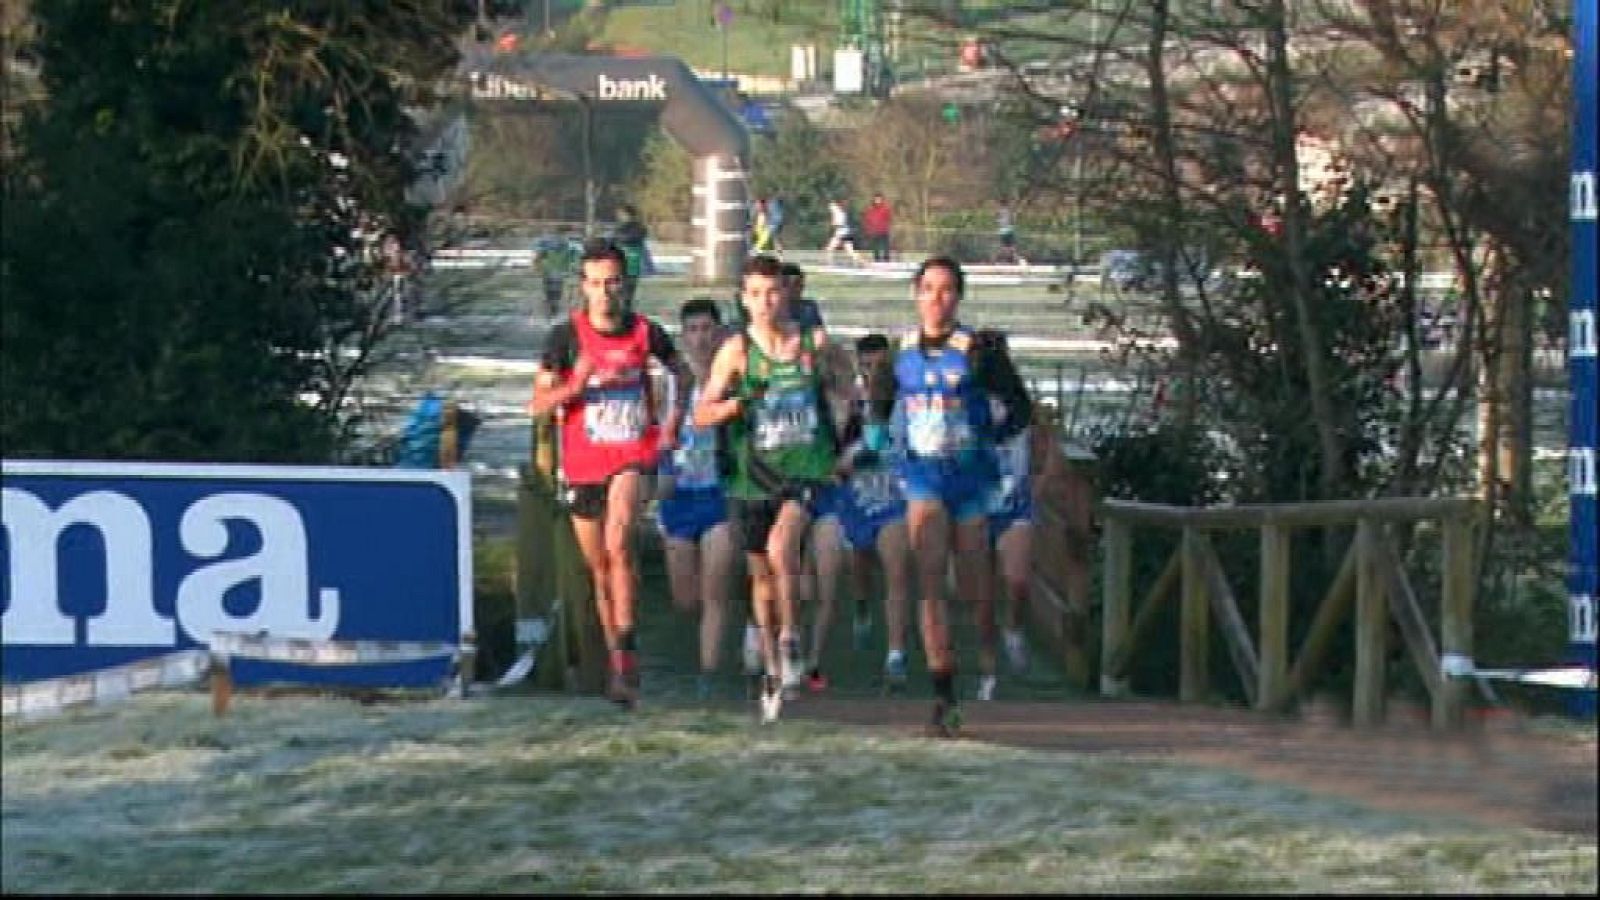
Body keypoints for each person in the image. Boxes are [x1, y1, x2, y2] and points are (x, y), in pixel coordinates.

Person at [864, 256, 1032, 737]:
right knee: (931, 580)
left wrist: (993, 434)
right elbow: (877, 407)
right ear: (916, 295)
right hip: (925, 478)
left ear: (959, 297)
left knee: (972, 589)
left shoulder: (978, 349)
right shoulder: (901, 352)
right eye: (928, 289)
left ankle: (984, 655)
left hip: (973, 478)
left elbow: (1020, 408)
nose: (936, 299)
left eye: (946, 290)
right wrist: (881, 445)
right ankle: (943, 691)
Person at [528, 241, 691, 708]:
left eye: (613, 283)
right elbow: (537, 404)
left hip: (632, 455)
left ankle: (626, 648)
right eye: (596, 284)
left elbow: (683, 372)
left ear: (626, 284)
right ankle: (620, 657)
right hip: (583, 463)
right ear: (584, 286)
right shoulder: (565, 339)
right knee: (600, 567)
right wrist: (575, 386)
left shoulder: (645, 333)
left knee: (620, 540)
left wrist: (673, 421)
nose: (605, 293)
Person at [694, 254, 854, 723]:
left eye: (773, 292)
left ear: (787, 294)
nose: (765, 303)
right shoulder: (737, 352)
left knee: (785, 549)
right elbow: (703, 414)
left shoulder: (813, 343)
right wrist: (739, 402)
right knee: (762, 580)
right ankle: (770, 661)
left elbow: (851, 391)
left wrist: (843, 425)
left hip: (803, 471)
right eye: (756, 295)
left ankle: (790, 642)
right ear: (744, 300)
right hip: (752, 476)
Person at [658, 298, 739, 700]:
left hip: (719, 495)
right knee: (686, 599)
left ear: (720, 333)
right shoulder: (669, 385)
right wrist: (660, 472)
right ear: (683, 336)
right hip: (678, 498)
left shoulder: (732, 380)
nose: (701, 338)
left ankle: (709, 675)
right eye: (693, 330)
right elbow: (653, 437)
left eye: (708, 329)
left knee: (714, 591)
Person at [837, 332, 914, 691]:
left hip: (893, 498)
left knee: (897, 573)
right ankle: (862, 603)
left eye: (880, 365)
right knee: (861, 564)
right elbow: (832, 457)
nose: (873, 373)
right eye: (866, 366)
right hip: (856, 498)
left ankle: (896, 655)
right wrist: (851, 455)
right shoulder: (848, 403)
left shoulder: (907, 402)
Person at [978, 328, 1035, 697]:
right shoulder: (965, 402)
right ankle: (988, 672)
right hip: (977, 504)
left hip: (1015, 503)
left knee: (1016, 581)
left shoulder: (1022, 407)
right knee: (983, 594)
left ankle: (1013, 629)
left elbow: (1043, 452)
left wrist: (1040, 482)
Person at [612, 205, 652, 313]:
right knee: (622, 293)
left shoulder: (635, 228)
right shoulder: (623, 228)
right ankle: (622, 312)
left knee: (626, 293)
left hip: (630, 264)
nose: (619, 216)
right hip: (622, 264)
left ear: (627, 214)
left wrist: (617, 238)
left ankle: (624, 314)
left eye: (621, 214)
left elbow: (627, 238)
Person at [824, 199, 866, 266]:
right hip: (844, 232)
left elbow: (838, 224)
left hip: (842, 233)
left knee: (830, 248)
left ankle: (829, 264)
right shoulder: (840, 213)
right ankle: (862, 262)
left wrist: (834, 225)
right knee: (849, 251)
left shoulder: (839, 213)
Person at [862, 192, 894, 263]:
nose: (877, 201)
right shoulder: (870, 209)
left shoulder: (885, 208)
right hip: (874, 231)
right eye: (876, 199)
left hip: (884, 230)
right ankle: (877, 260)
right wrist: (868, 229)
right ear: (874, 200)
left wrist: (886, 226)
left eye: (879, 199)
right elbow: (867, 219)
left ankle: (886, 260)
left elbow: (889, 218)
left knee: (886, 247)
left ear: (882, 199)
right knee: (875, 247)